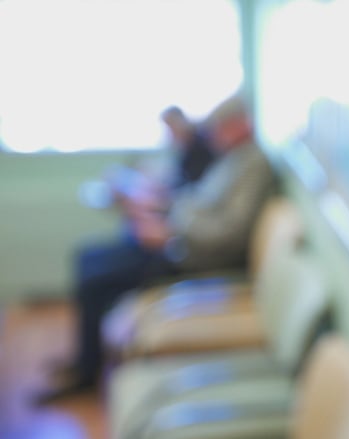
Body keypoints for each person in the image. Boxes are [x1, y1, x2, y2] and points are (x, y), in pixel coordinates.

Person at [36, 95, 275, 403]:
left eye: (222, 128)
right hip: (180, 242)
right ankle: (84, 360)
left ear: (243, 125)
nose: (215, 135)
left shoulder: (253, 165)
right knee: (89, 258)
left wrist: (171, 233)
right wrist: (164, 211)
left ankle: (87, 373)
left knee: (96, 281)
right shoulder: (234, 158)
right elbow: (199, 201)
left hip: (194, 258)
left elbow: (229, 233)